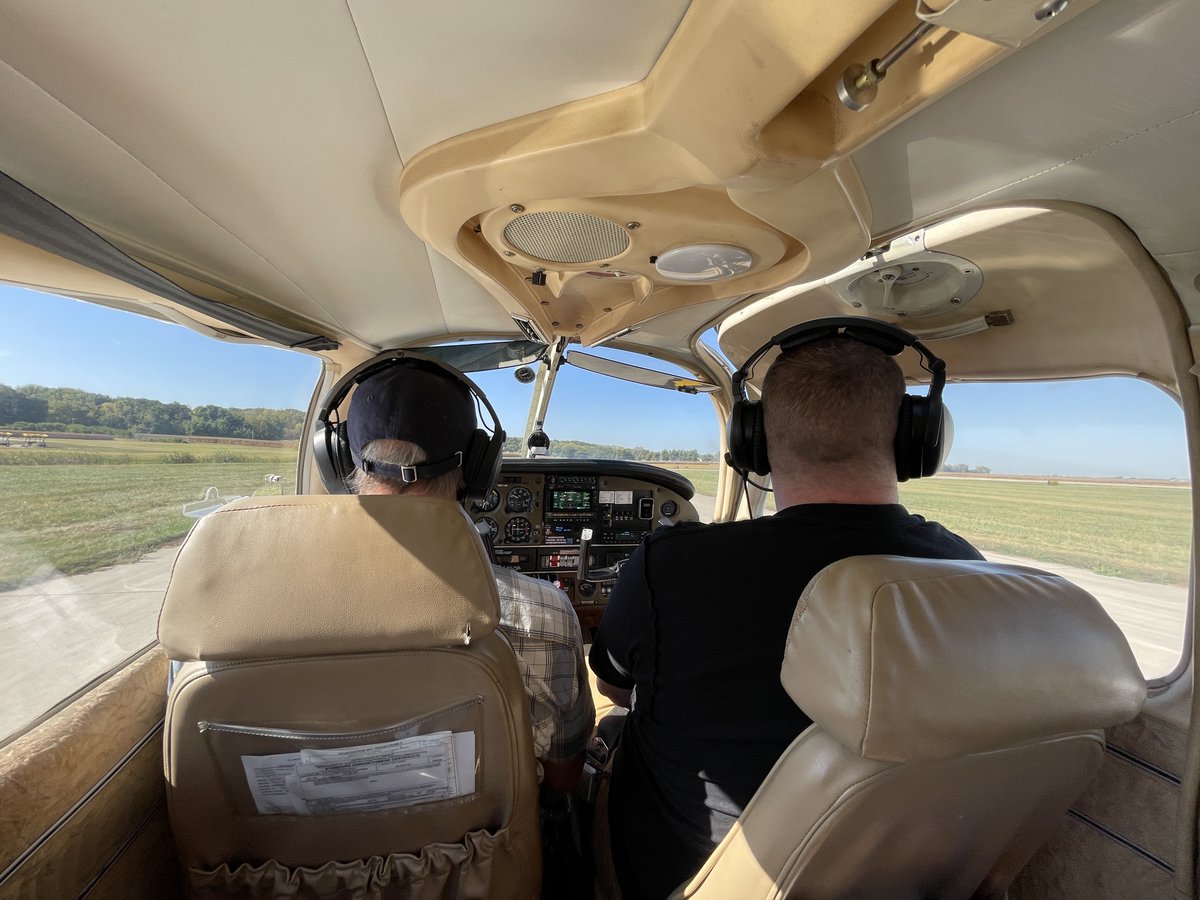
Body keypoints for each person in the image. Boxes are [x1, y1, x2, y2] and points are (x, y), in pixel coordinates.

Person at [588, 334, 984, 898]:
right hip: (894, 875)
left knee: (610, 728)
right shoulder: (965, 572)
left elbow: (615, 687)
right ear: (914, 436)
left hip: (698, 880)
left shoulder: (670, 566)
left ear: (754, 441)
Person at [348, 360, 594, 793]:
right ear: (481, 467)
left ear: (334, 457)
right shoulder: (547, 618)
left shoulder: (247, 618)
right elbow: (563, 780)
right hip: (485, 849)